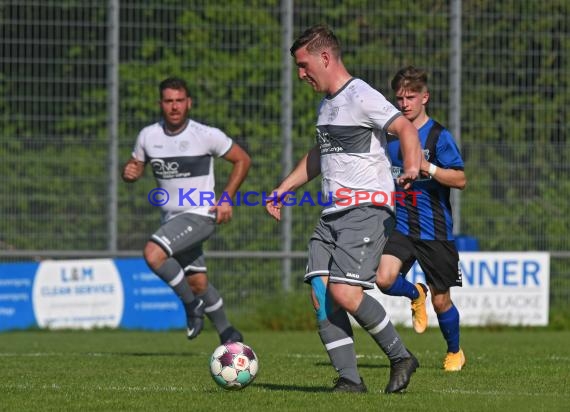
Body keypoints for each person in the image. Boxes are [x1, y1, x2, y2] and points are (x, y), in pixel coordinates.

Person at [266, 25, 423, 393]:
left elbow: (406, 129)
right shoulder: (326, 106)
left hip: (367, 209)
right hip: (332, 214)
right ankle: (350, 380)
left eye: (304, 65)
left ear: (324, 57)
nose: (301, 74)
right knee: (321, 293)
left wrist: (413, 166)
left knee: (345, 293)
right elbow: (321, 154)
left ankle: (401, 356)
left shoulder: (361, 95)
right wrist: (283, 189)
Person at [122, 76, 251, 344]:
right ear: (161, 104)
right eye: (169, 101)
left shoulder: (206, 135)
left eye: (179, 100)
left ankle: (192, 307)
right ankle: (229, 333)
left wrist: (226, 198)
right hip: (172, 219)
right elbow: (135, 167)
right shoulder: (148, 136)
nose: (174, 106)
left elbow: (242, 159)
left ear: (189, 102)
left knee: (153, 253)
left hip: (202, 214)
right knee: (197, 283)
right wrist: (129, 173)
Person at [376, 65, 467, 371]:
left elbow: (460, 179)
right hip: (401, 226)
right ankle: (415, 292)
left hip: (435, 230)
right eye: (399, 98)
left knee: (442, 302)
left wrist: (429, 168)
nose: (404, 104)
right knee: (384, 279)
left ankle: (455, 351)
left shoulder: (439, 136)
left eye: (411, 97)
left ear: (425, 97)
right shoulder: (389, 135)